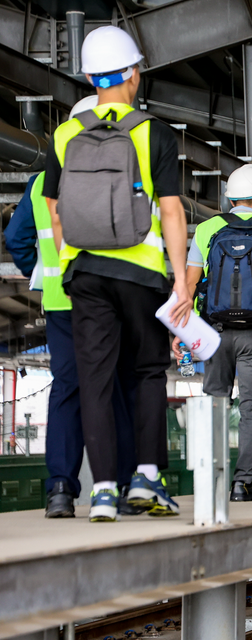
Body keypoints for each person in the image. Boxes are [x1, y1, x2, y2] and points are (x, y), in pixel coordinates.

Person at [44, 26, 192, 522]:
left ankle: (103, 491)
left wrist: (70, 261)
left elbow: (55, 208)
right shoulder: (153, 132)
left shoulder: (65, 135)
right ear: (133, 74)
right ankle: (146, 478)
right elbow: (170, 211)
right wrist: (180, 281)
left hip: (85, 274)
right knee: (147, 372)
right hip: (140, 272)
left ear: (90, 78)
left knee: (95, 380)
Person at [6, 95, 141, 518]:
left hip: (61, 302)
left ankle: (61, 490)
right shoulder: (121, 174)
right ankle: (119, 488)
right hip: (110, 303)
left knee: (67, 389)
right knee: (113, 388)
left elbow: (15, 239)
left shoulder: (38, 184)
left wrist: (43, 274)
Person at [173, 164, 252, 501]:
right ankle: (242, 484)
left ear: (230, 200)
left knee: (215, 404)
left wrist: (183, 331)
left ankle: (210, 483)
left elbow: (189, 285)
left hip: (214, 334)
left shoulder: (207, 228)